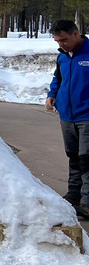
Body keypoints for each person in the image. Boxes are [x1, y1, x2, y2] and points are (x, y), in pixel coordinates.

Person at [45, 19, 89, 219]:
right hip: (67, 116)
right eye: (57, 41)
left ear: (76, 34)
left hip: (86, 116)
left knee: (86, 158)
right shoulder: (62, 57)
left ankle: (87, 202)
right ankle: (73, 195)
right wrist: (52, 94)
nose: (60, 44)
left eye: (63, 40)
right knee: (73, 156)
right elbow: (58, 78)